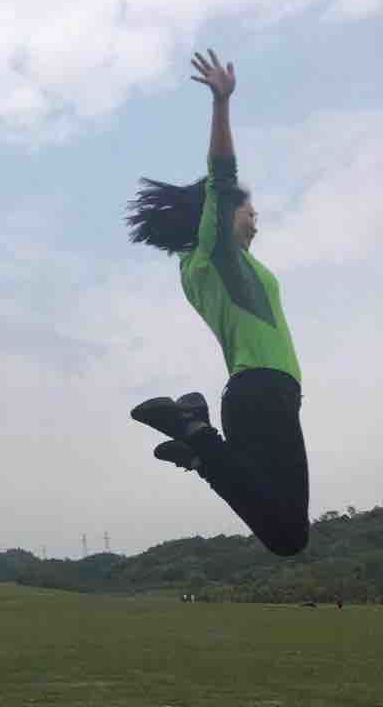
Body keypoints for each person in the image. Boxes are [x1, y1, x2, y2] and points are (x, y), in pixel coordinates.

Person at [126, 49, 309, 558]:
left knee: (287, 535)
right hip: (263, 392)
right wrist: (221, 103)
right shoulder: (216, 257)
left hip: (262, 395)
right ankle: (196, 435)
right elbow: (221, 175)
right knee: (288, 535)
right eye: (249, 210)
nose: (256, 218)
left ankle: (199, 445)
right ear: (223, 213)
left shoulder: (206, 266)